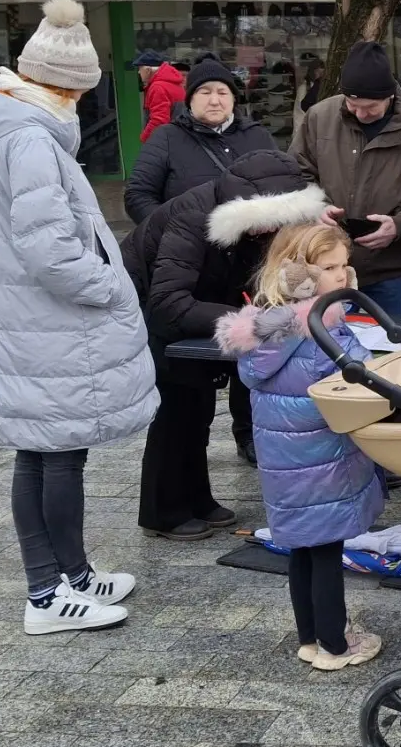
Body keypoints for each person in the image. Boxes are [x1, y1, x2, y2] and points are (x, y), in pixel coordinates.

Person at [0, 0, 155, 634]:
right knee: (55, 454)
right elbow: (49, 248)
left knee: (45, 452)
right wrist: (112, 288)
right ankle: (46, 592)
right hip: (48, 323)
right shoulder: (30, 139)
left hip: (34, 322)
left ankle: (70, 571)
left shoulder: (13, 129)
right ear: (67, 85)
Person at [124, 148, 328, 541]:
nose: (268, 233)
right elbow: (168, 300)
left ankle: (198, 498)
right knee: (175, 409)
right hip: (150, 307)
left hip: (196, 304)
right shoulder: (193, 217)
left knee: (198, 407)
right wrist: (246, 321)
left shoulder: (256, 224)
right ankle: (162, 511)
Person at [215, 223, 387, 671]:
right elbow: (363, 375)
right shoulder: (321, 332)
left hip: (286, 463)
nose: (343, 274)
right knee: (327, 550)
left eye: (345, 264)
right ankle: (335, 646)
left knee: (304, 550)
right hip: (323, 460)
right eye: (330, 267)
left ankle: (310, 637)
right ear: (299, 273)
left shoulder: (267, 327)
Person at [291, 42, 401, 321]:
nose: (361, 113)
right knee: (326, 349)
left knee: (390, 348)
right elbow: (296, 174)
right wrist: (315, 208)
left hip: (389, 268)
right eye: (352, 105)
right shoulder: (319, 117)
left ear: (389, 96)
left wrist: (399, 226)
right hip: (325, 266)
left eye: (370, 107)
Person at [125, 58, 278, 224]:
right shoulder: (166, 138)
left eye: (222, 92)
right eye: (205, 93)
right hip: (187, 246)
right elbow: (138, 195)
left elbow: (282, 187)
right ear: (190, 99)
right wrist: (172, 229)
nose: (214, 101)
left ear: (233, 98)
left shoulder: (258, 136)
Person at [139, 54, 187, 142]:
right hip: (179, 136)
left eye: (140, 69)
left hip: (168, 142)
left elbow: (159, 120)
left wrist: (145, 138)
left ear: (148, 70)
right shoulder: (173, 83)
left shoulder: (157, 87)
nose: (139, 72)